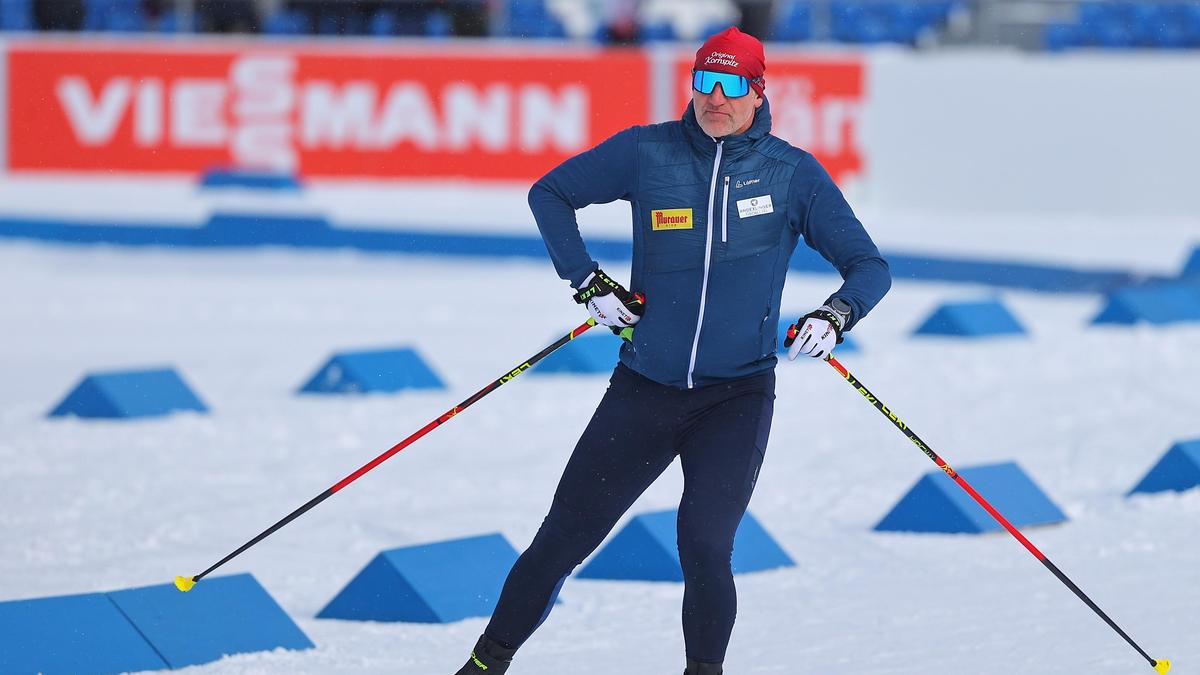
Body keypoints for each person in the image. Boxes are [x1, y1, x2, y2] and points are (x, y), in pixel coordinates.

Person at [455, 26, 890, 675]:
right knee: (561, 539)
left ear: (757, 90)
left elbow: (868, 267)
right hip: (644, 389)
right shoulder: (646, 152)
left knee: (705, 546)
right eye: (704, 81)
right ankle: (485, 664)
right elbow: (549, 193)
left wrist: (836, 312)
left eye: (731, 83)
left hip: (735, 397)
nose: (715, 97)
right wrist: (586, 281)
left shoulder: (791, 173)